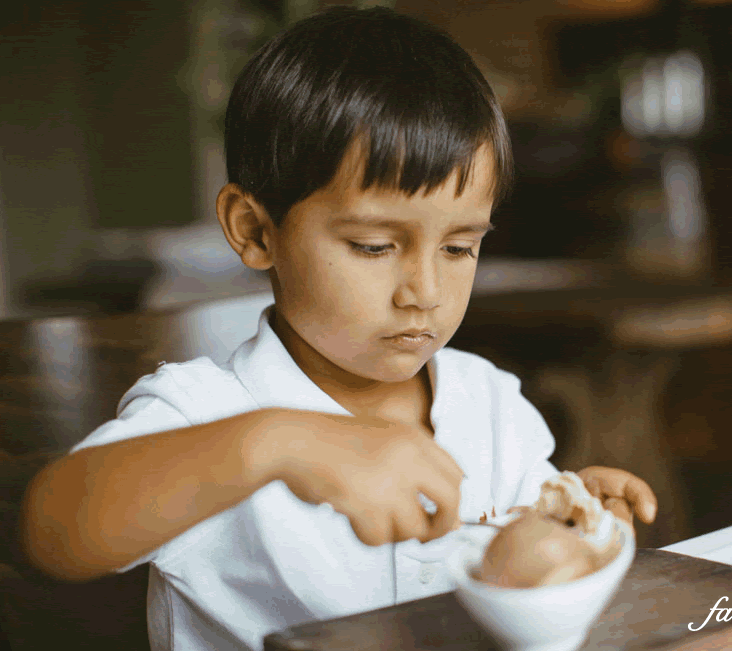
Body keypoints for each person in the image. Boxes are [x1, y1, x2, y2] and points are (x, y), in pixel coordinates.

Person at [19, 7, 658, 651]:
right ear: (255, 231)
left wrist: (566, 527)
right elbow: (53, 531)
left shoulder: (490, 403)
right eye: (374, 246)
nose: (425, 293)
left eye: (459, 248)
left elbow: (511, 573)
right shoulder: (208, 413)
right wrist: (274, 444)